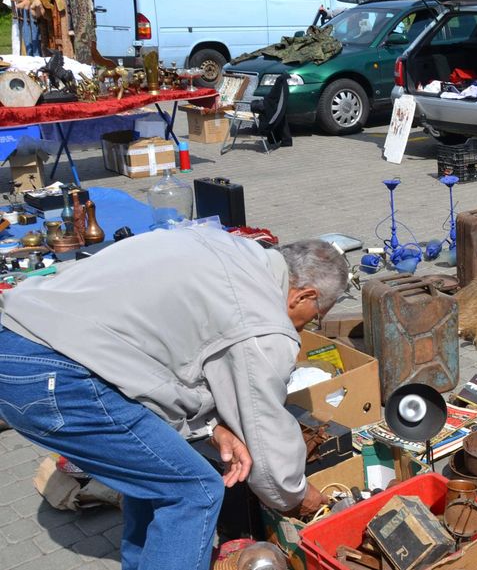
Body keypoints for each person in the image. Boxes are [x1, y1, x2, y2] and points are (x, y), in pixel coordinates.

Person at [0, 228, 350, 570]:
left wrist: (210, 429)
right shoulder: (262, 320)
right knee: (196, 491)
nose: (305, 329)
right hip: (58, 375)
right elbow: (264, 429)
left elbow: (159, 362)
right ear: (303, 296)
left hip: (16, 346)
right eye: (316, 318)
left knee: (156, 476)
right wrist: (300, 497)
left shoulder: (224, 246)